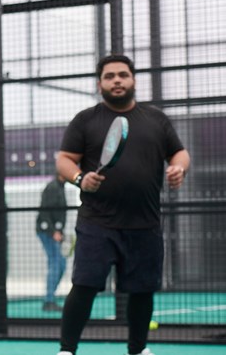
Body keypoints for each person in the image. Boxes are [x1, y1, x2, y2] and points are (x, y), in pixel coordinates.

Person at [55, 54, 190, 355]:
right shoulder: (85, 120)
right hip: (96, 223)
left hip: (145, 224)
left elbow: (180, 153)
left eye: (123, 75)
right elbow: (64, 160)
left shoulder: (156, 119)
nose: (117, 80)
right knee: (85, 286)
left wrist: (179, 168)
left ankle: (138, 349)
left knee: (142, 291)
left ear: (133, 80)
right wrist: (80, 178)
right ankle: (66, 350)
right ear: (100, 83)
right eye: (110, 76)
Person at [36, 173, 67, 312]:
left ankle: (50, 297)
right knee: (56, 263)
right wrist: (53, 231)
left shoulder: (60, 187)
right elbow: (44, 211)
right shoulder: (53, 187)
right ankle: (49, 301)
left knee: (60, 264)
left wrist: (60, 232)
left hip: (55, 233)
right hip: (47, 233)